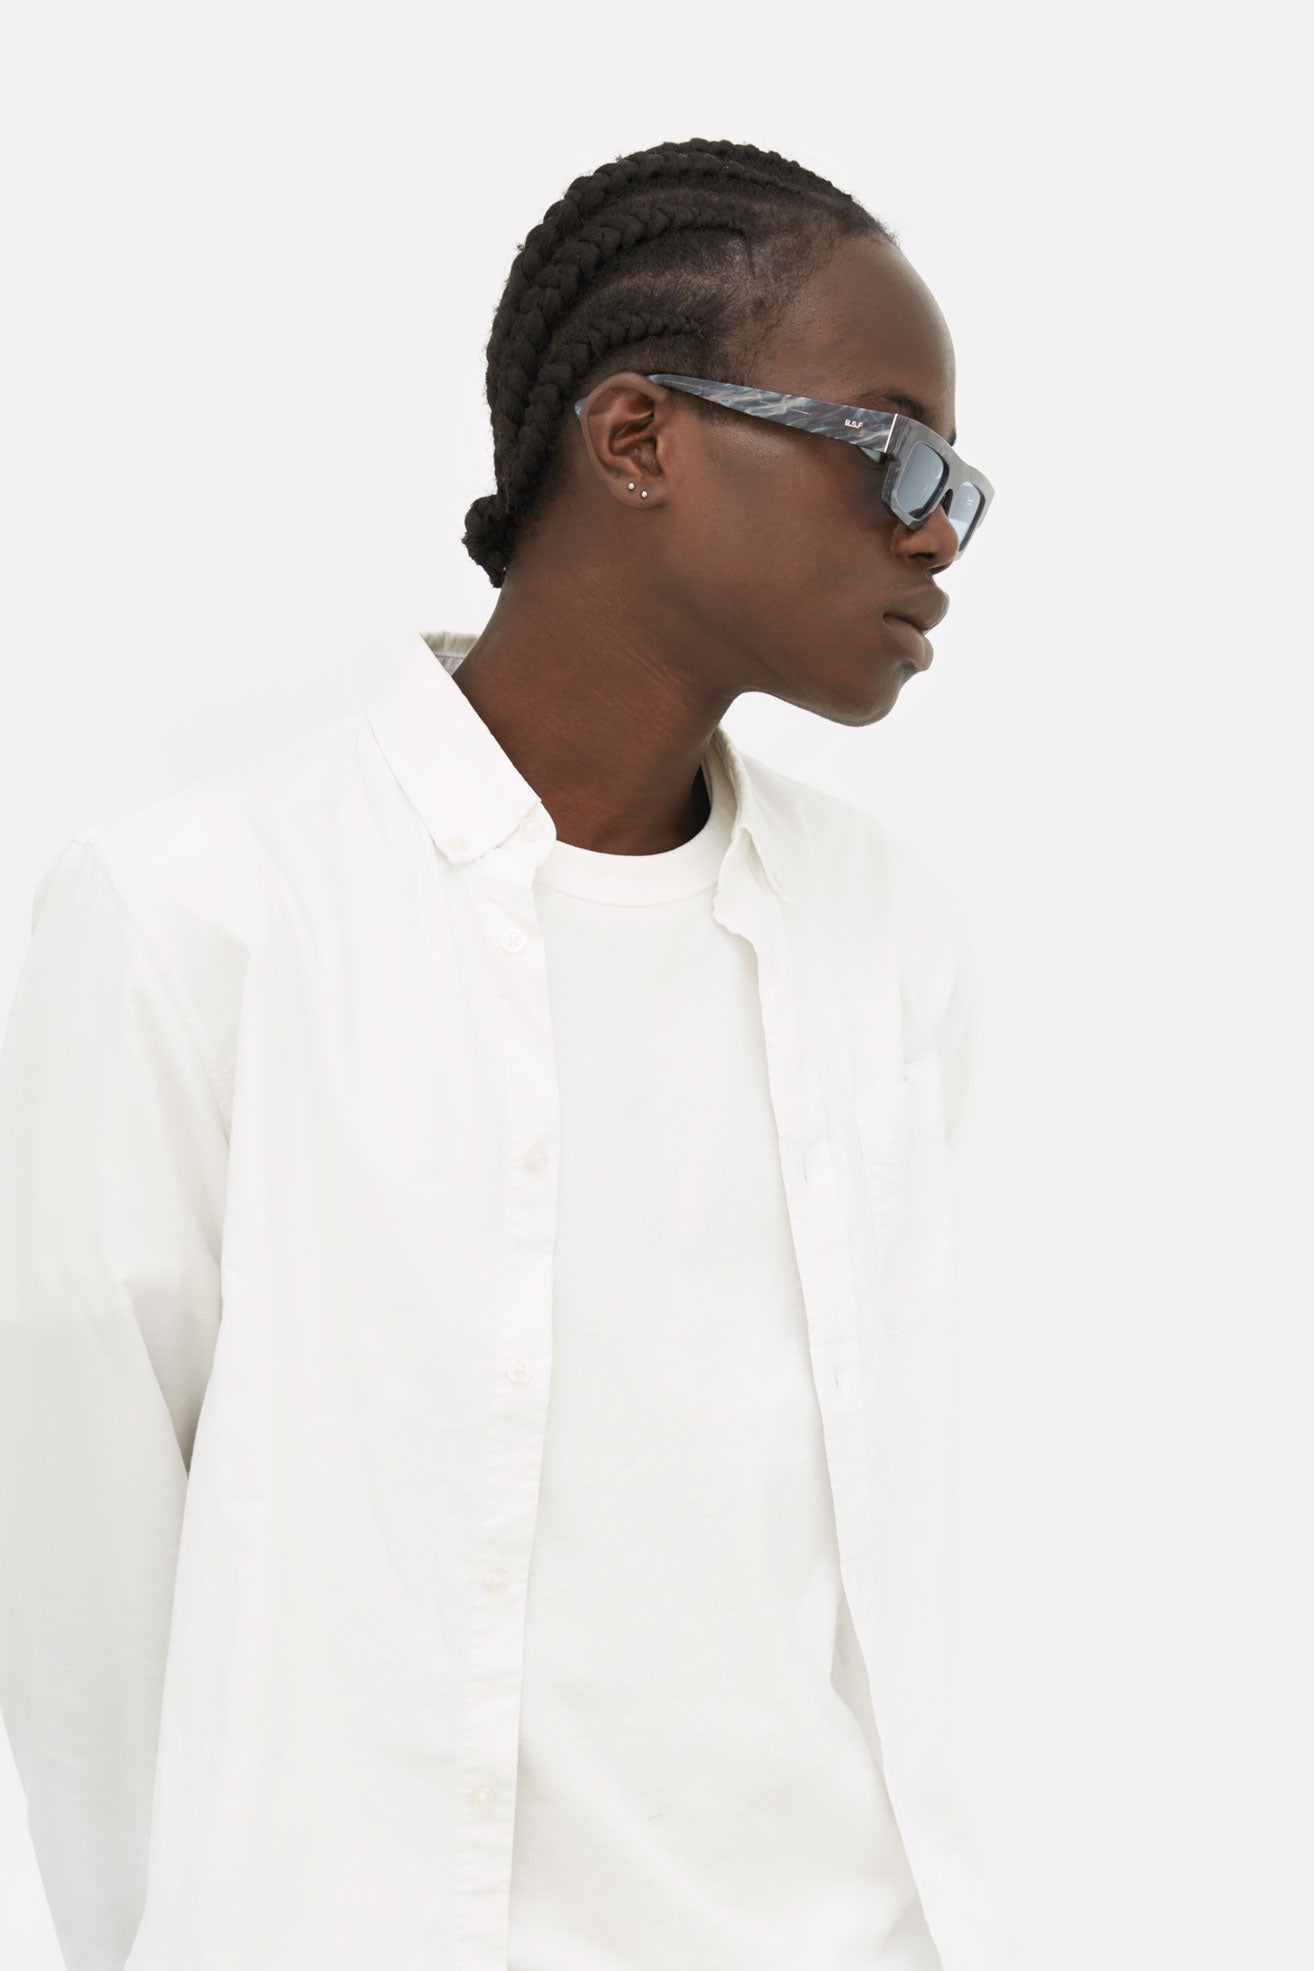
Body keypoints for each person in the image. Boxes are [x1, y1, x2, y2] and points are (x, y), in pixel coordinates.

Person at [0, 137, 1002, 1971]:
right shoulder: (198, 919)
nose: (935, 531)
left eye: (960, 485)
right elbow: (85, 1589)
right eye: (893, 451)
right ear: (637, 440)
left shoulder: (886, 938)